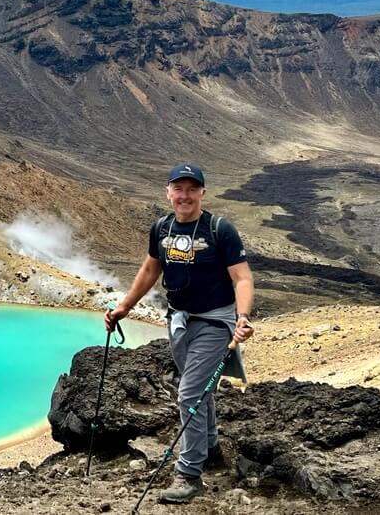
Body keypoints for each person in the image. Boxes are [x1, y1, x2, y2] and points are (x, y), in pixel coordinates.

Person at [105, 162, 254, 505]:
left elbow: (242, 278)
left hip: (215, 323)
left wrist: (242, 316)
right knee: (200, 390)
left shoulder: (220, 230)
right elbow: (149, 269)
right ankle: (210, 447)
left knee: (189, 394)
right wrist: (124, 307)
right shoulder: (161, 228)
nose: (184, 195)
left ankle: (189, 475)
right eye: (178, 188)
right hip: (179, 321)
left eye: (192, 189)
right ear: (168, 192)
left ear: (202, 192)